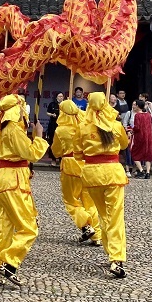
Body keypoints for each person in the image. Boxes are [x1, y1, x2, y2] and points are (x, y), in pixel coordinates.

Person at [0, 94, 47, 286]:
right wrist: (39, 137)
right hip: (13, 180)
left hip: (3, 178)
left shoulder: (5, 128)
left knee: (2, 228)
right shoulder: (13, 129)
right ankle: (9, 263)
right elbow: (32, 153)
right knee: (28, 227)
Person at [77, 92, 130, 279]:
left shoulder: (83, 126)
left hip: (92, 175)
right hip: (112, 173)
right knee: (115, 216)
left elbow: (78, 152)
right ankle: (116, 258)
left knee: (103, 215)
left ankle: (111, 254)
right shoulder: (115, 125)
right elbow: (124, 144)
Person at [50, 99, 102, 247]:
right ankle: (96, 236)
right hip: (86, 165)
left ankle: (86, 225)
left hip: (70, 166)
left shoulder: (61, 130)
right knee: (89, 202)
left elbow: (56, 151)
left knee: (71, 200)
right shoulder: (85, 125)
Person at [130, 100, 152, 179]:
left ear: (137, 106)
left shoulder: (138, 115)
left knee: (135, 153)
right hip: (149, 137)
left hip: (140, 137)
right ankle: (148, 172)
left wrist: (132, 130)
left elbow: (137, 127)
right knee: (148, 154)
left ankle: (141, 170)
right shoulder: (148, 115)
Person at [46, 92, 64, 166]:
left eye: (62, 96)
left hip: (62, 126)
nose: (61, 98)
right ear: (56, 97)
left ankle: (60, 159)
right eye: (59, 96)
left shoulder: (65, 105)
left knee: (61, 142)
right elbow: (47, 112)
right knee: (52, 141)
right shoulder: (52, 104)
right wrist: (52, 114)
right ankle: (53, 159)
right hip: (53, 125)